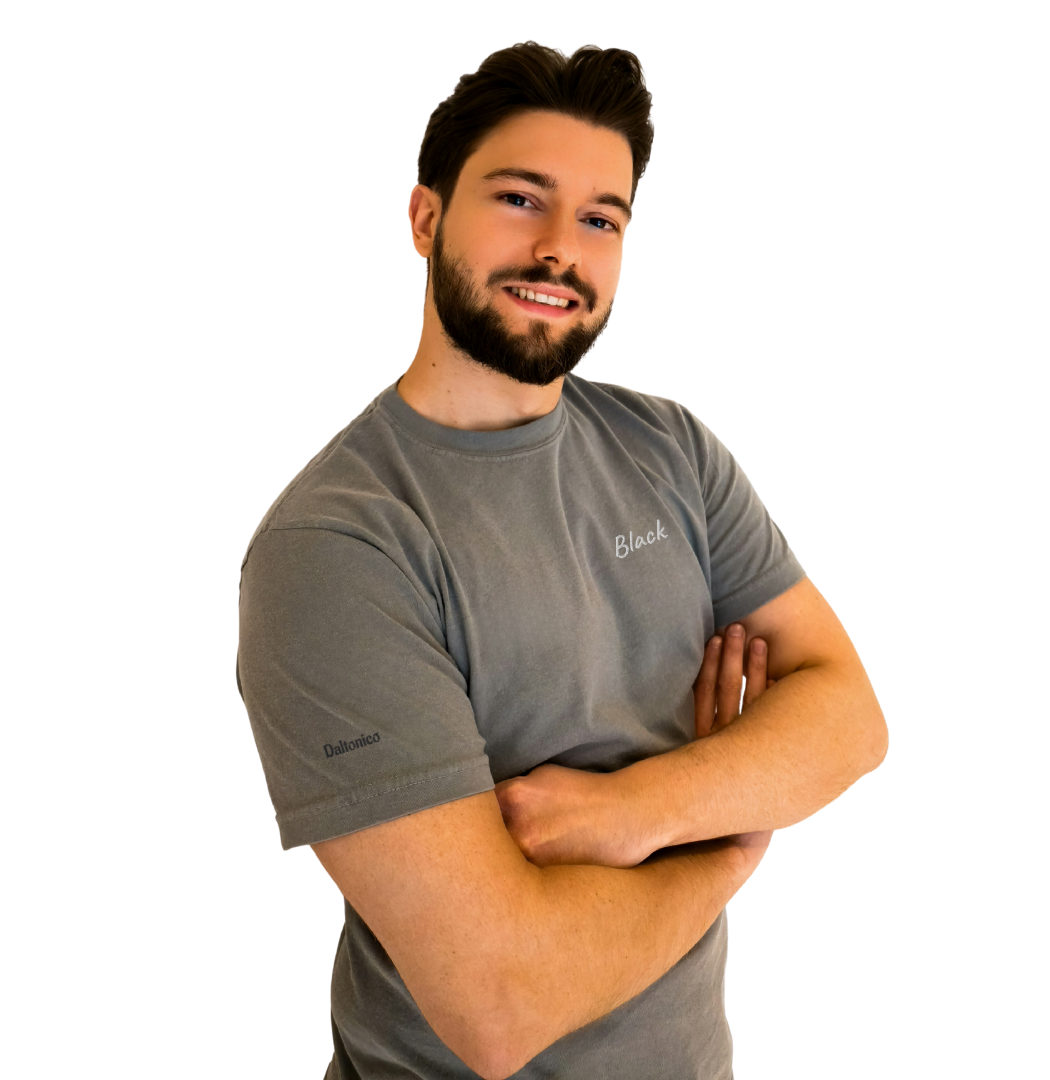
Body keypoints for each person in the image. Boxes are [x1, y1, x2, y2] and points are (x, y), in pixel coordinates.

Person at [237, 41, 888, 1080]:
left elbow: (849, 718)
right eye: (519, 198)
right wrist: (728, 841)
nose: (558, 250)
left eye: (599, 219)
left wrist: (644, 810)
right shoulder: (340, 549)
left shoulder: (670, 453)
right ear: (424, 218)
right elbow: (500, 1005)